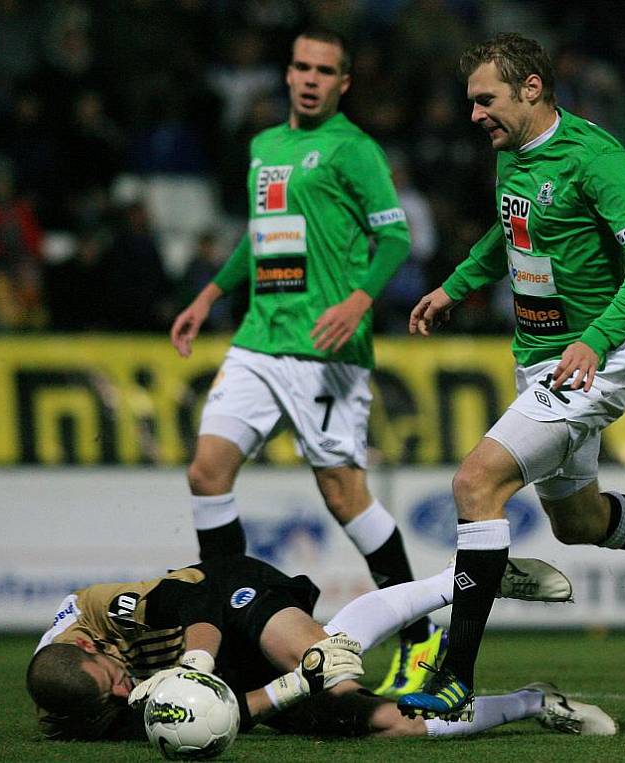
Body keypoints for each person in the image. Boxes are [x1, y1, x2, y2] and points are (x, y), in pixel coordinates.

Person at [397, 34, 625, 723]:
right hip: (537, 360)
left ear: (531, 88)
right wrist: (455, 285)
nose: (474, 114)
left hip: (592, 363)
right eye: (472, 101)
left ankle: (453, 674)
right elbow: (508, 233)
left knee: (475, 485)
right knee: (580, 522)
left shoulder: (597, 159)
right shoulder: (512, 155)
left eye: (486, 99)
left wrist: (596, 340)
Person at [169, 28, 440, 698]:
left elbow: (396, 235)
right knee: (207, 471)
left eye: (325, 70)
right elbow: (262, 239)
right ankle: (234, 624)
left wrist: (357, 300)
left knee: (344, 494)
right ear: (287, 74)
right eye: (301, 66)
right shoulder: (265, 147)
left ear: (343, 82)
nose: (311, 78)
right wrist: (209, 292)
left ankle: (420, 631)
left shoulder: (355, 150)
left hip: (326, 350)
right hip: (260, 339)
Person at [25, 553, 617, 744]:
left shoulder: (97, 610)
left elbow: (196, 601)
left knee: (332, 668)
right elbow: (217, 720)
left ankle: (463, 578)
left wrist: (194, 668)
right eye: (116, 696)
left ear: (89, 647)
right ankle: (535, 702)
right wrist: (285, 689)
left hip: (231, 598)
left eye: (115, 677)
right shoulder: (90, 710)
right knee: (389, 723)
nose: (126, 690)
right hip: (227, 680)